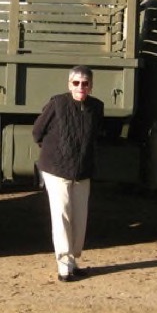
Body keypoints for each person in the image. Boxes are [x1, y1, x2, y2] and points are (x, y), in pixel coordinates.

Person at [32, 66, 105, 282]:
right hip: (57, 169)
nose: (80, 87)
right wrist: (55, 152)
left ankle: (73, 261)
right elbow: (38, 131)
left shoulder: (96, 107)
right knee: (62, 215)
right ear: (69, 84)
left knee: (79, 218)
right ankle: (64, 266)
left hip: (82, 171)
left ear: (91, 86)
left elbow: (96, 135)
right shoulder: (58, 103)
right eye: (76, 83)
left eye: (85, 83)